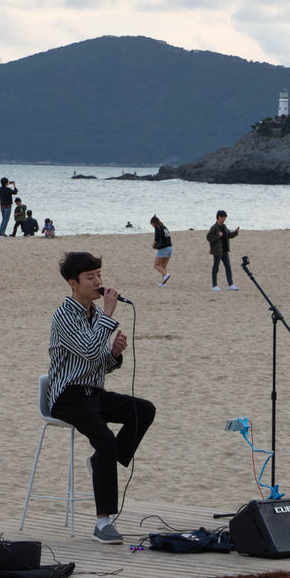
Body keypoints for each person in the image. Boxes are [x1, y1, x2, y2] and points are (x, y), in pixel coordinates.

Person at [48, 252, 156, 544]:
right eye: (90, 277)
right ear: (73, 283)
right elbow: (87, 349)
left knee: (143, 410)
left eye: (99, 275)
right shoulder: (65, 315)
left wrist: (114, 355)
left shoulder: (93, 314)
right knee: (106, 440)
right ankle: (102, 523)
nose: (98, 282)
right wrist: (108, 314)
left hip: (94, 392)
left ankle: (102, 462)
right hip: (67, 397)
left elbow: (97, 361)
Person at [207, 210, 239, 291]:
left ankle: (230, 284)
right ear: (219, 217)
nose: (224, 219)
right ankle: (214, 286)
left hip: (225, 251)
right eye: (224, 217)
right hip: (217, 251)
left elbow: (228, 235)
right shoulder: (214, 227)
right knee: (216, 268)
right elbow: (208, 237)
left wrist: (235, 233)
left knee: (228, 267)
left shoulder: (224, 226)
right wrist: (218, 236)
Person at [150, 215, 172, 286]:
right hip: (170, 247)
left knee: (156, 265)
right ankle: (163, 283)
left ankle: (166, 275)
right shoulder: (164, 227)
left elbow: (156, 239)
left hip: (164, 248)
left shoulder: (157, 228)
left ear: (154, 223)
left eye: (151, 224)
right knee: (163, 266)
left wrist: (153, 245)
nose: (152, 225)